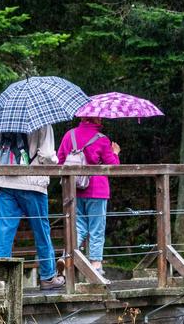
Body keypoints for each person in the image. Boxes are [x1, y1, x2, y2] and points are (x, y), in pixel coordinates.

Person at [0, 124, 66, 290]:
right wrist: (55, 160)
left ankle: (0, 279)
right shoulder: (43, 123)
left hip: (5, 181)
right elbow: (46, 155)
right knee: (41, 230)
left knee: (5, 231)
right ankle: (47, 277)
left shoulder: (4, 121)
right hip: (32, 183)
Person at [57, 117, 120, 276]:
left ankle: (66, 258)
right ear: (96, 118)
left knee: (77, 226)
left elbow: (60, 161)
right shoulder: (102, 139)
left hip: (74, 189)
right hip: (97, 189)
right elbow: (113, 166)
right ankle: (95, 264)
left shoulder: (69, 135)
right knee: (96, 228)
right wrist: (115, 153)